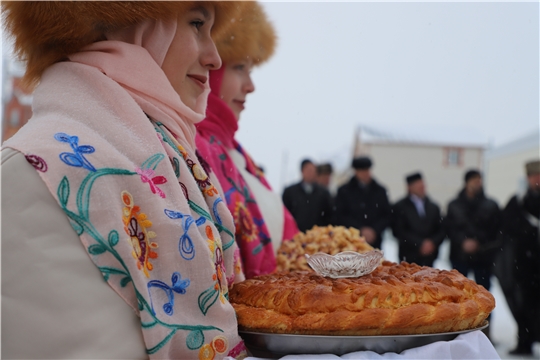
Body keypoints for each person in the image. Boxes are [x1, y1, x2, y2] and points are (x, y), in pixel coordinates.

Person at [1, 2, 249, 358]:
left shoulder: (172, 159)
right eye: (196, 23)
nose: (215, 58)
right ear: (131, 25)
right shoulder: (34, 172)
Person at [195, 2, 299, 279]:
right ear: (211, 69)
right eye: (240, 67)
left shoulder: (236, 153)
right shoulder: (193, 146)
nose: (250, 86)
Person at [500, 160, 540, 355]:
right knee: (524, 304)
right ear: (528, 179)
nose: (537, 180)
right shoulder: (518, 202)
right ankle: (525, 342)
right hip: (524, 265)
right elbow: (505, 228)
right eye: (534, 177)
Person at [445, 169, 501, 291]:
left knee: (483, 294)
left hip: (483, 257)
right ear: (467, 182)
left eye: (480, 180)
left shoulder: (491, 205)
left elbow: (496, 231)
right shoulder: (454, 205)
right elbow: (449, 228)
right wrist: (463, 241)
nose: (478, 183)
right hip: (459, 256)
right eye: (475, 180)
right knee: (458, 294)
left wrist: (478, 242)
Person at [334, 156, 391, 250]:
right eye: (362, 171)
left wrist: (374, 230)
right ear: (356, 172)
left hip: (374, 242)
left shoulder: (380, 191)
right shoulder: (344, 191)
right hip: (351, 243)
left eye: (367, 170)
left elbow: (387, 215)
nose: (366, 174)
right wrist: (359, 229)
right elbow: (340, 215)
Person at [391, 172, 445, 267]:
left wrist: (432, 243)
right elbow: (399, 230)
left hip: (429, 257)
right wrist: (419, 243)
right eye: (418, 185)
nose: (422, 187)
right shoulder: (400, 206)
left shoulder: (433, 207)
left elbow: (441, 229)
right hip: (409, 256)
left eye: (422, 185)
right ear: (409, 187)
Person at [282, 159, 334, 232]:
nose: (311, 173)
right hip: (296, 234)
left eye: (313, 170)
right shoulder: (290, 192)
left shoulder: (323, 193)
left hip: (318, 236)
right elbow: (285, 214)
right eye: (308, 170)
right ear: (302, 171)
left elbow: (329, 214)